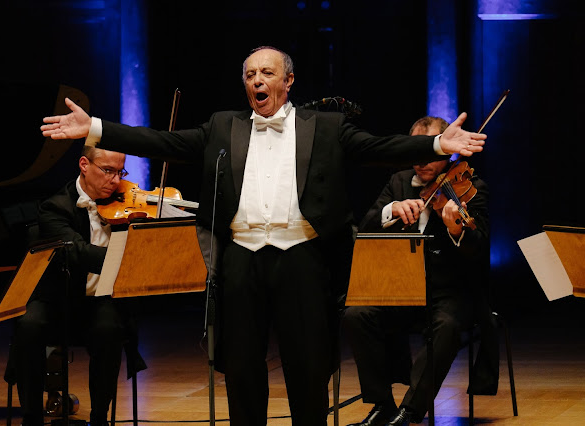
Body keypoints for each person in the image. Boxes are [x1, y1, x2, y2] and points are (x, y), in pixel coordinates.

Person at [40, 47, 486, 426]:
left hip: (302, 257)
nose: (257, 80)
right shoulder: (222, 126)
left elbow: (379, 147)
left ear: (288, 81)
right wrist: (95, 128)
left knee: (308, 366)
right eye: (250, 74)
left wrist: (437, 146)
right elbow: (161, 141)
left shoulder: (325, 127)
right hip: (241, 257)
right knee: (242, 367)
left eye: (267, 73)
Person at [343, 116, 498, 426]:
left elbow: (479, 248)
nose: (420, 162)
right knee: (356, 313)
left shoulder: (471, 186)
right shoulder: (399, 182)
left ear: (448, 151)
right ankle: (382, 405)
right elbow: (367, 227)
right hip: (403, 288)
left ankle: (411, 410)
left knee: (448, 326)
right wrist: (391, 210)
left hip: (449, 292)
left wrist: (456, 226)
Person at [12, 146, 143, 426]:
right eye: (108, 171)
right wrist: (130, 260)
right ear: (84, 164)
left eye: (121, 172)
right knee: (27, 325)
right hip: (57, 301)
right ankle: (31, 418)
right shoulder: (54, 207)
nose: (116, 180)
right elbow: (78, 254)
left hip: (100, 301)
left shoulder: (127, 204)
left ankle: (99, 419)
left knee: (110, 328)